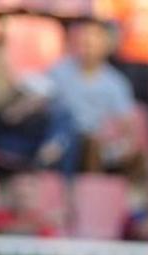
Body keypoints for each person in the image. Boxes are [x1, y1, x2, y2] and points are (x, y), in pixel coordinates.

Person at [47, 20, 142, 173]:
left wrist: (123, 143)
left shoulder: (115, 83)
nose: (88, 45)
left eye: (94, 40)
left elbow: (126, 124)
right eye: (85, 40)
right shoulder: (59, 72)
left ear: (106, 46)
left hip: (99, 140)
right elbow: (45, 103)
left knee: (136, 156)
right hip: (65, 136)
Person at [0, 40, 74, 172]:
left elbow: (30, 121)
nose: (4, 63)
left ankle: (53, 146)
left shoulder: (14, 88)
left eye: (6, 58)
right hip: (1, 141)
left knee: (62, 115)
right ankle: (54, 158)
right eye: (0, 59)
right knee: (64, 127)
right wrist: (14, 114)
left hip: (26, 135)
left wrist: (35, 108)